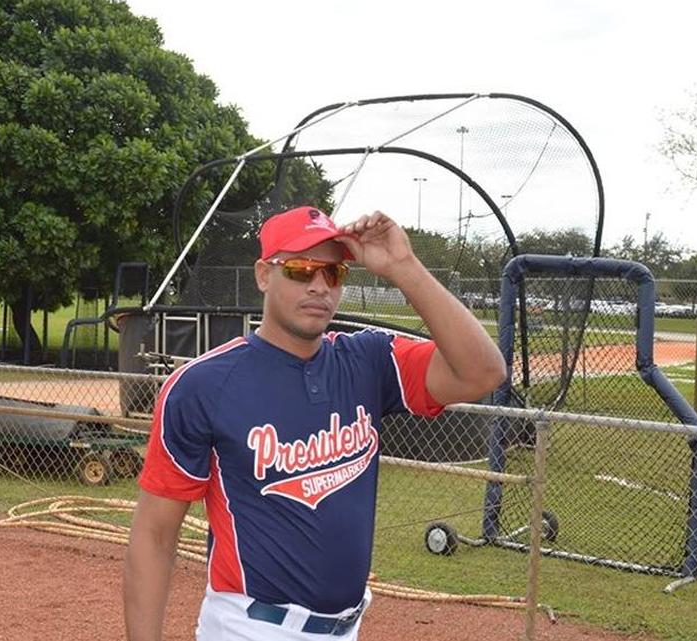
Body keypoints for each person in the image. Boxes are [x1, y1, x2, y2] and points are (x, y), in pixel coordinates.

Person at [123, 206, 506, 640]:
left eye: (334, 273)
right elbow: (154, 535)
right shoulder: (203, 385)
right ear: (264, 275)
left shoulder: (368, 361)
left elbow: (482, 373)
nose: (319, 286)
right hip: (251, 628)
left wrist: (404, 267)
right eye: (301, 269)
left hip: (346, 628)